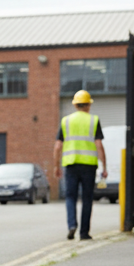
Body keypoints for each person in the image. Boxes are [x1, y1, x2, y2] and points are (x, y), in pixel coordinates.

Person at [54, 90, 107, 240]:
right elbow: (99, 145)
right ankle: (84, 233)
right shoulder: (93, 120)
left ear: (75, 105)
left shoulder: (66, 121)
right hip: (89, 166)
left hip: (71, 164)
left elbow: (57, 146)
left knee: (70, 197)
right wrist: (104, 166)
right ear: (88, 105)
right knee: (87, 198)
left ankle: (72, 225)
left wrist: (56, 166)